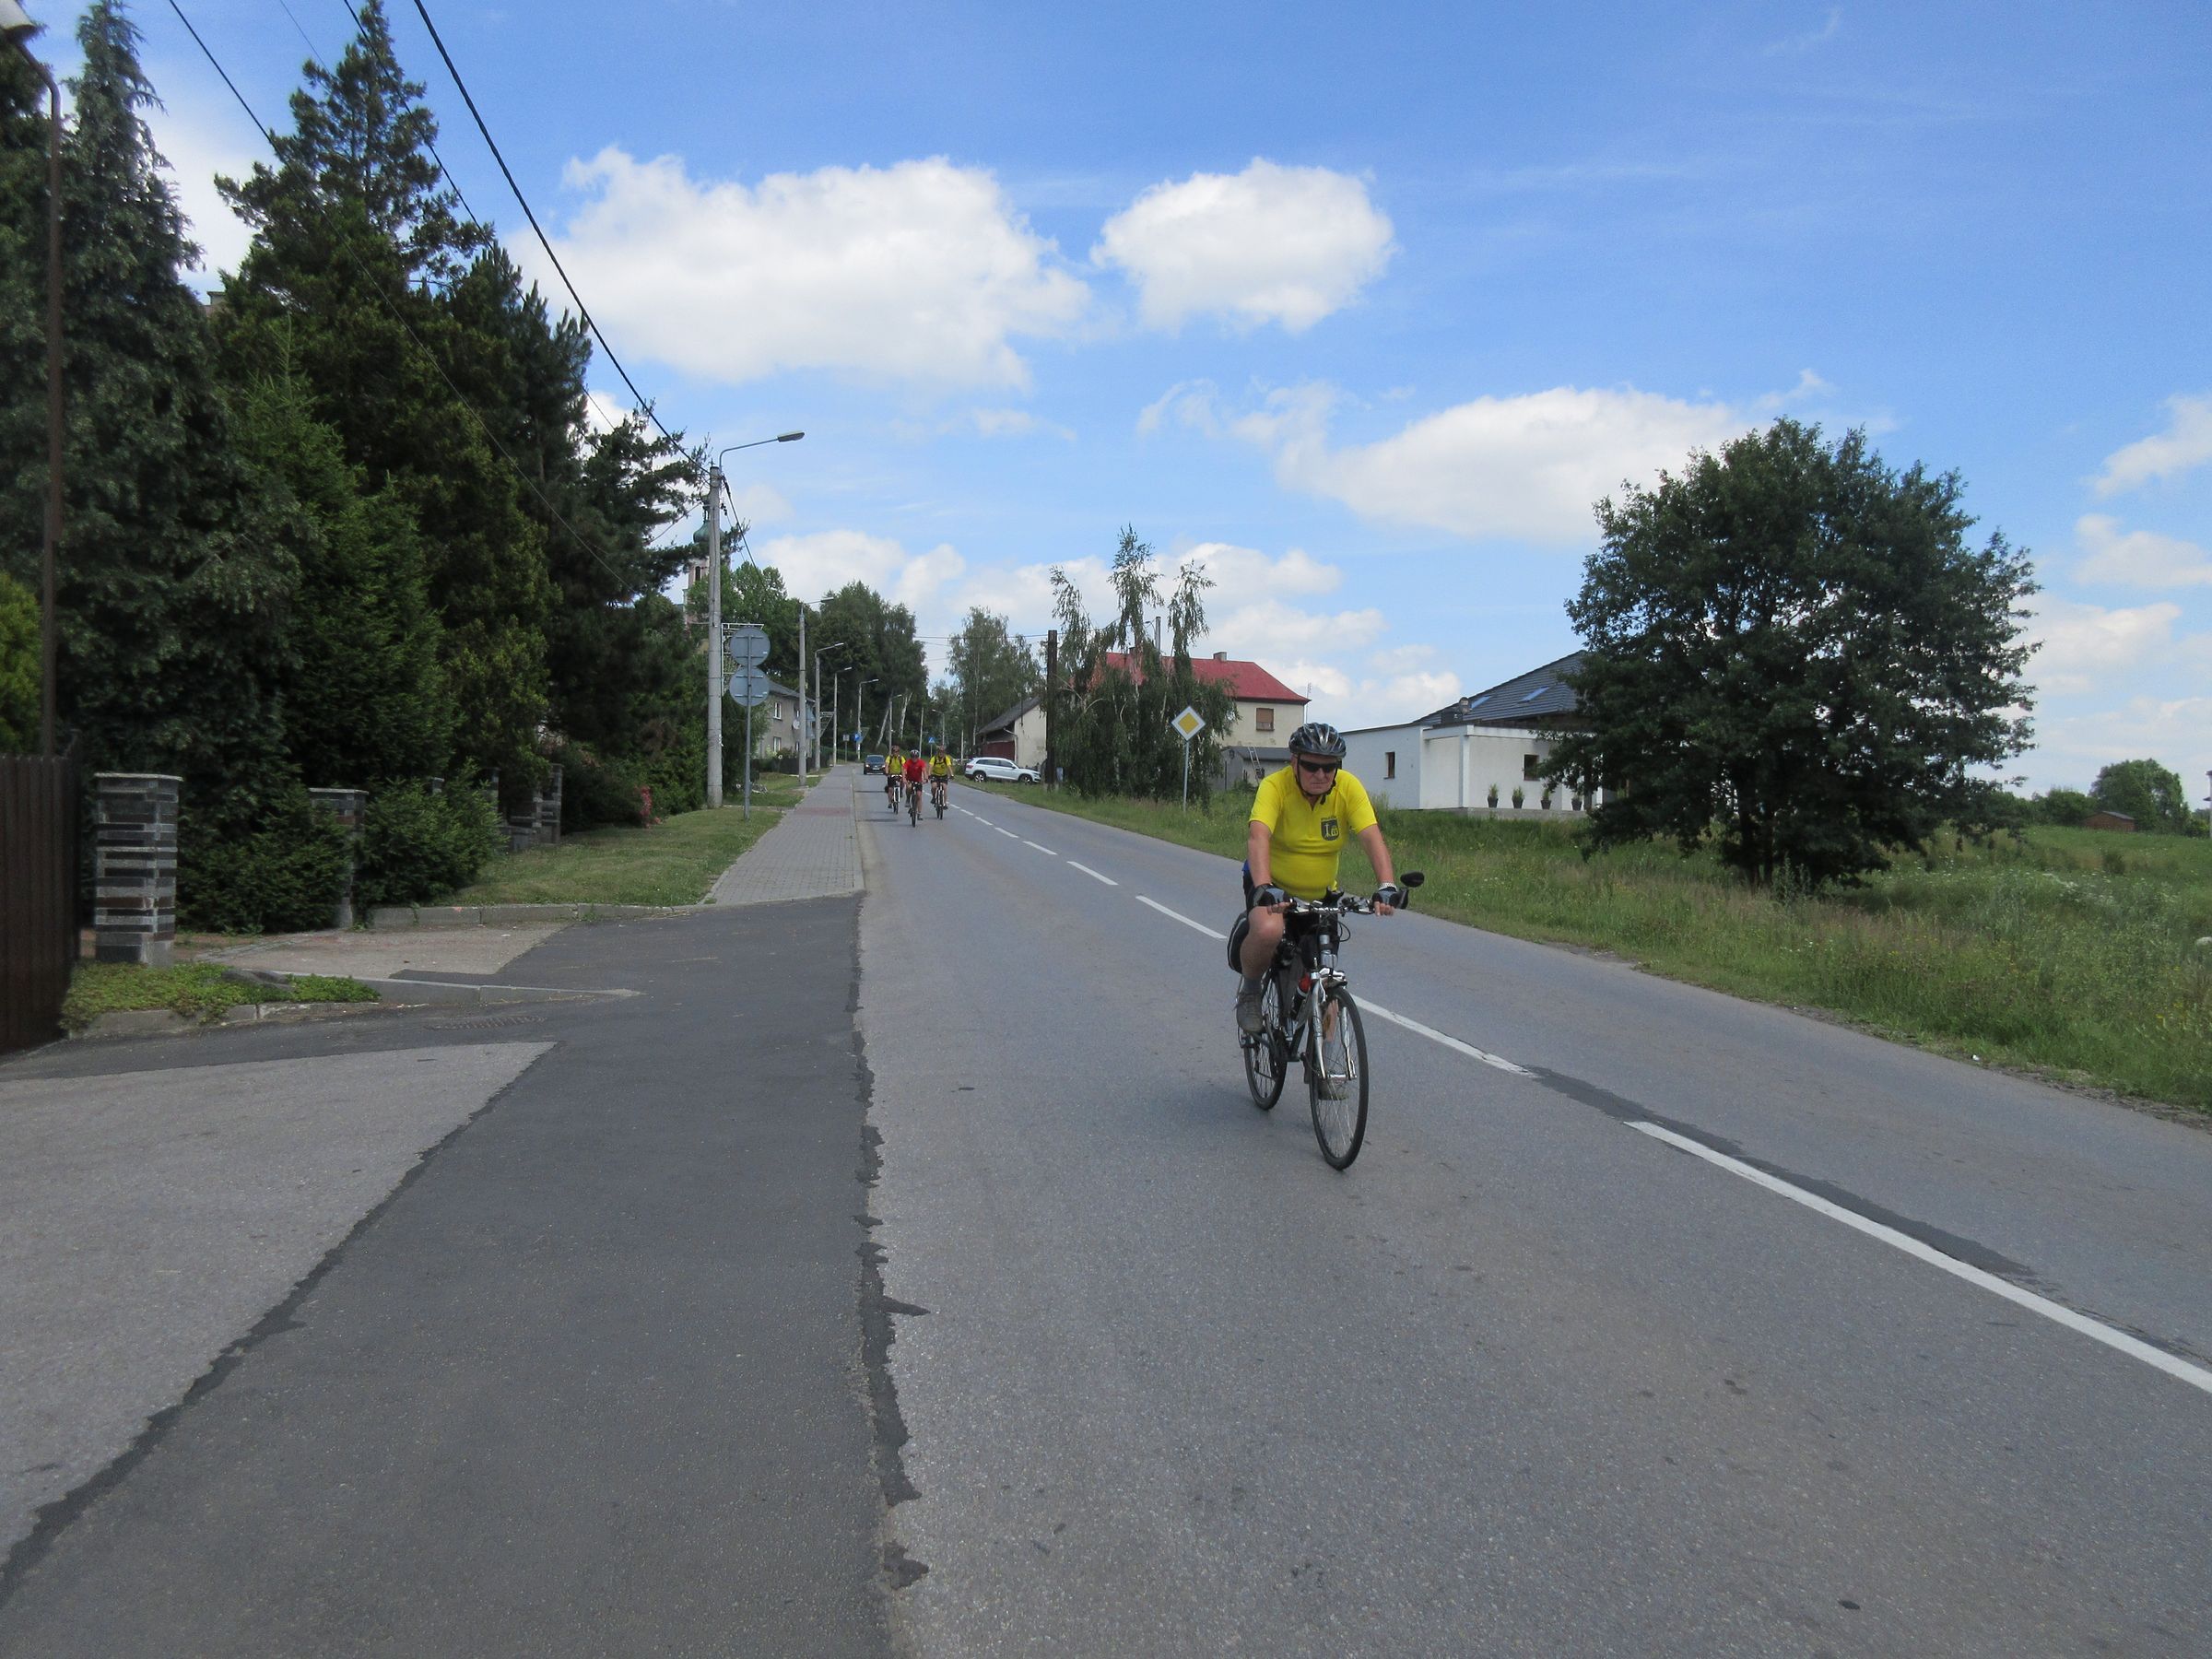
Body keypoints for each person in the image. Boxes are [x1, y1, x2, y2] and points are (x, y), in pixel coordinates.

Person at [1233, 723, 1405, 1047]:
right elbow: (1258, 837)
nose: (1321, 774)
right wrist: (1265, 886)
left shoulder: (1348, 788)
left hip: (1320, 894)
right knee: (1268, 930)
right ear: (1294, 761)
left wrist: (1386, 885)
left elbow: (1372, 838)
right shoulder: (1275, 787)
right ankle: (1250, 993)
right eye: (1312, 766)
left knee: (1325, 975)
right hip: (1273, 886)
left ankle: (1323, 1061)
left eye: (1329, 767)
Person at [927, 743, 954, 810]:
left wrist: (952, 775)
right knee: (934, 786)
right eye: (940, 752)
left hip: (943, 775)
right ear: (938, 752)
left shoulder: (946, 759)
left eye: (942, 752)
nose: (941, 753)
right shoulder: (934, 758)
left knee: (944, 787)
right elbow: (930, 767)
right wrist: (929, 775)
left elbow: (949, 767)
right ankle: (934, 797)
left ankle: (944, 803)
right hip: (935, 774)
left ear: (944, 752)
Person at [900, 749, 928, 815]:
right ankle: (908, 799)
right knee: (909, 787)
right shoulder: (908, 762)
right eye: (913, 756)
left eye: (916, 757)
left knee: (919, 795)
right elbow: (904, 771)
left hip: (918, 780)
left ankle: (919, 813)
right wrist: (904, 778)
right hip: (910, 779)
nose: (914, 758)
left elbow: (924, 770)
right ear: (911, 757)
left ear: (918, 757)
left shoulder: (921, 762)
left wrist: (926, 778)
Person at [885, 745, 905, 810]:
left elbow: (904, 766)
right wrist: (887, 773)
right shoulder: (889, 758)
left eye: (897, 751)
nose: (895, 753)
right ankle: (890, 802)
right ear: (892, 752)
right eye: (894, 751)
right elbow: (887, 765)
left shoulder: (901, 758)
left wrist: (904, 774)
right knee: (890, 789)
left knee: (903, 782)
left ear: (898, 752)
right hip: (891, 774)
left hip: (899, 773)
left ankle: (900, 790)